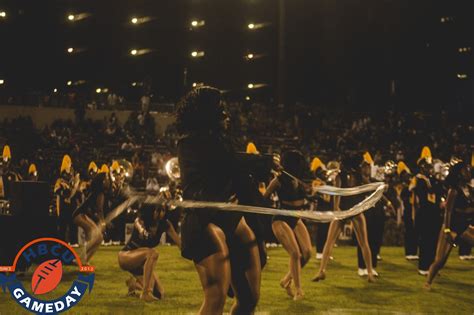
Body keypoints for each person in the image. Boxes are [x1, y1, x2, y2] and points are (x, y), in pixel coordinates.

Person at [176, 86, 262, 315]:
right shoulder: (189, 144)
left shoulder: (223, 143)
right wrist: (260, 162)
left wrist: (264, 168)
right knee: (216, 299)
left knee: (250, 298)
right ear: (206, 115)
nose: (226, 115)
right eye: (219, 110)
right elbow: (224, 162)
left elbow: (233, 166)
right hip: (203, 219)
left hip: (230, 216)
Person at [313, 153, 376, 283]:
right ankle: (370, 272)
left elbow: (337, 193)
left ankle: (322, 271)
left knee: (329, 241)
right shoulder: (359, 175)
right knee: (364, 243)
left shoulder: (340, 175)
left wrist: (336, 209)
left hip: (344, 209)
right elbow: (369, 188)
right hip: (355, 210)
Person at [262, 150, 312, 300]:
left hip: (295, 218)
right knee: (295, 253)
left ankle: (285, 281)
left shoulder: (300, 180)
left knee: (307, 254)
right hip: (281, 219)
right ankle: (298, 290)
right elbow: (264, 197)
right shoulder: (279, 180)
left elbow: (305, 197)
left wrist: (312, 193)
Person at [424, 160, 474, 289]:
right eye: (465, 169)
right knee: (440, 260)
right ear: (459, 173)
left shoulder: (469, 189)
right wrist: (446, 230)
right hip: (452, 227)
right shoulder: (454, 190)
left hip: (464, 227)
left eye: (469, 169)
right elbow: (448, 211)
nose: (468, 171)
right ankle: (428, 282)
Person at [118, 202, 181, 302]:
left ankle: (134, 285)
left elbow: (179, 242)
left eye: (163, 210)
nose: (160, 213)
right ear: (152, 210)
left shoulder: (165, 224)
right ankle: (145, 293)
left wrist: (193, 251)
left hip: (141, 265)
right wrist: (142, 230)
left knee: (160, 293)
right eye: (157, 210)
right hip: (127, 256)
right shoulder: (143, 220)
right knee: (152, 253)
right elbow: (137, 223)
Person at [412, 147, 442, 275]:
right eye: (427, 165)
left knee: (434, 241)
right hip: (425, 213)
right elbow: (425, 196)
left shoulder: (432, 179)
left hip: (433, 213)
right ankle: (423, 267)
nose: (429, 167)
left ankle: (432, 266)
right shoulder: (419, 179)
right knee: (425, 241)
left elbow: (439, 191)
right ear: (422, 166)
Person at [397, 161, 419, 260]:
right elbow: (402, 197)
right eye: (404, 175)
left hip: (415, 210)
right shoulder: (402, 187)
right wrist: (409, 190)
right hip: (408, 211)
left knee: (415, 231)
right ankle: (409, 252)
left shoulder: (412, 184)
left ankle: (414, 252)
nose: (407, 176)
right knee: (409, 231)